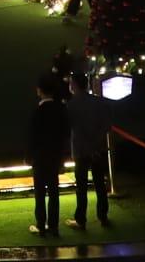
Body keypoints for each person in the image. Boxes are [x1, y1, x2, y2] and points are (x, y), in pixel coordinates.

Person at [27, 73, 70, 236]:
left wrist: (28, 155)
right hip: (55, 155)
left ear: (40, 91)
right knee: (54, 191)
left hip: (39, 156)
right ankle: (53, 226)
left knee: (39, 192)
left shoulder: (38, 111)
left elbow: (32, 135)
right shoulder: (61, 110)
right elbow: (65, 133)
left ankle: (40, 224)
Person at [67, 73, 110, 228]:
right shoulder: (98, 102)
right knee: (100, 183)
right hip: (98, 149)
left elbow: (74, 129)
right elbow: (105, 126)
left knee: (81, 186)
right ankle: (103, 216)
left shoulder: (71, 105)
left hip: (80, 150)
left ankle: (81, 219)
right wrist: (96, 145)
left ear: (75, 85)